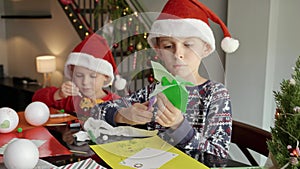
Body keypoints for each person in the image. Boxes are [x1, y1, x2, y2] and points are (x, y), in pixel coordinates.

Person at [90, 0, 239, 167]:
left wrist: (180, 127)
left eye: (188, 44)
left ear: (205, 48)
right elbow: (96, 111)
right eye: (168, 46)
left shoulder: (215, 94)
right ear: (159, 51)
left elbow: (217, 160)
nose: (178, 54)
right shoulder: (152, 91)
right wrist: (122, 114)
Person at [32, 33, 126, 121]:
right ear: (72, 73)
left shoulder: (116, 102)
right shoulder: (69, 99)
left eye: (93, 76)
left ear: (106, 76)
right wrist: (58, 94)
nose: (85, 82)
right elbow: (36, 98)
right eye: (79, 75)